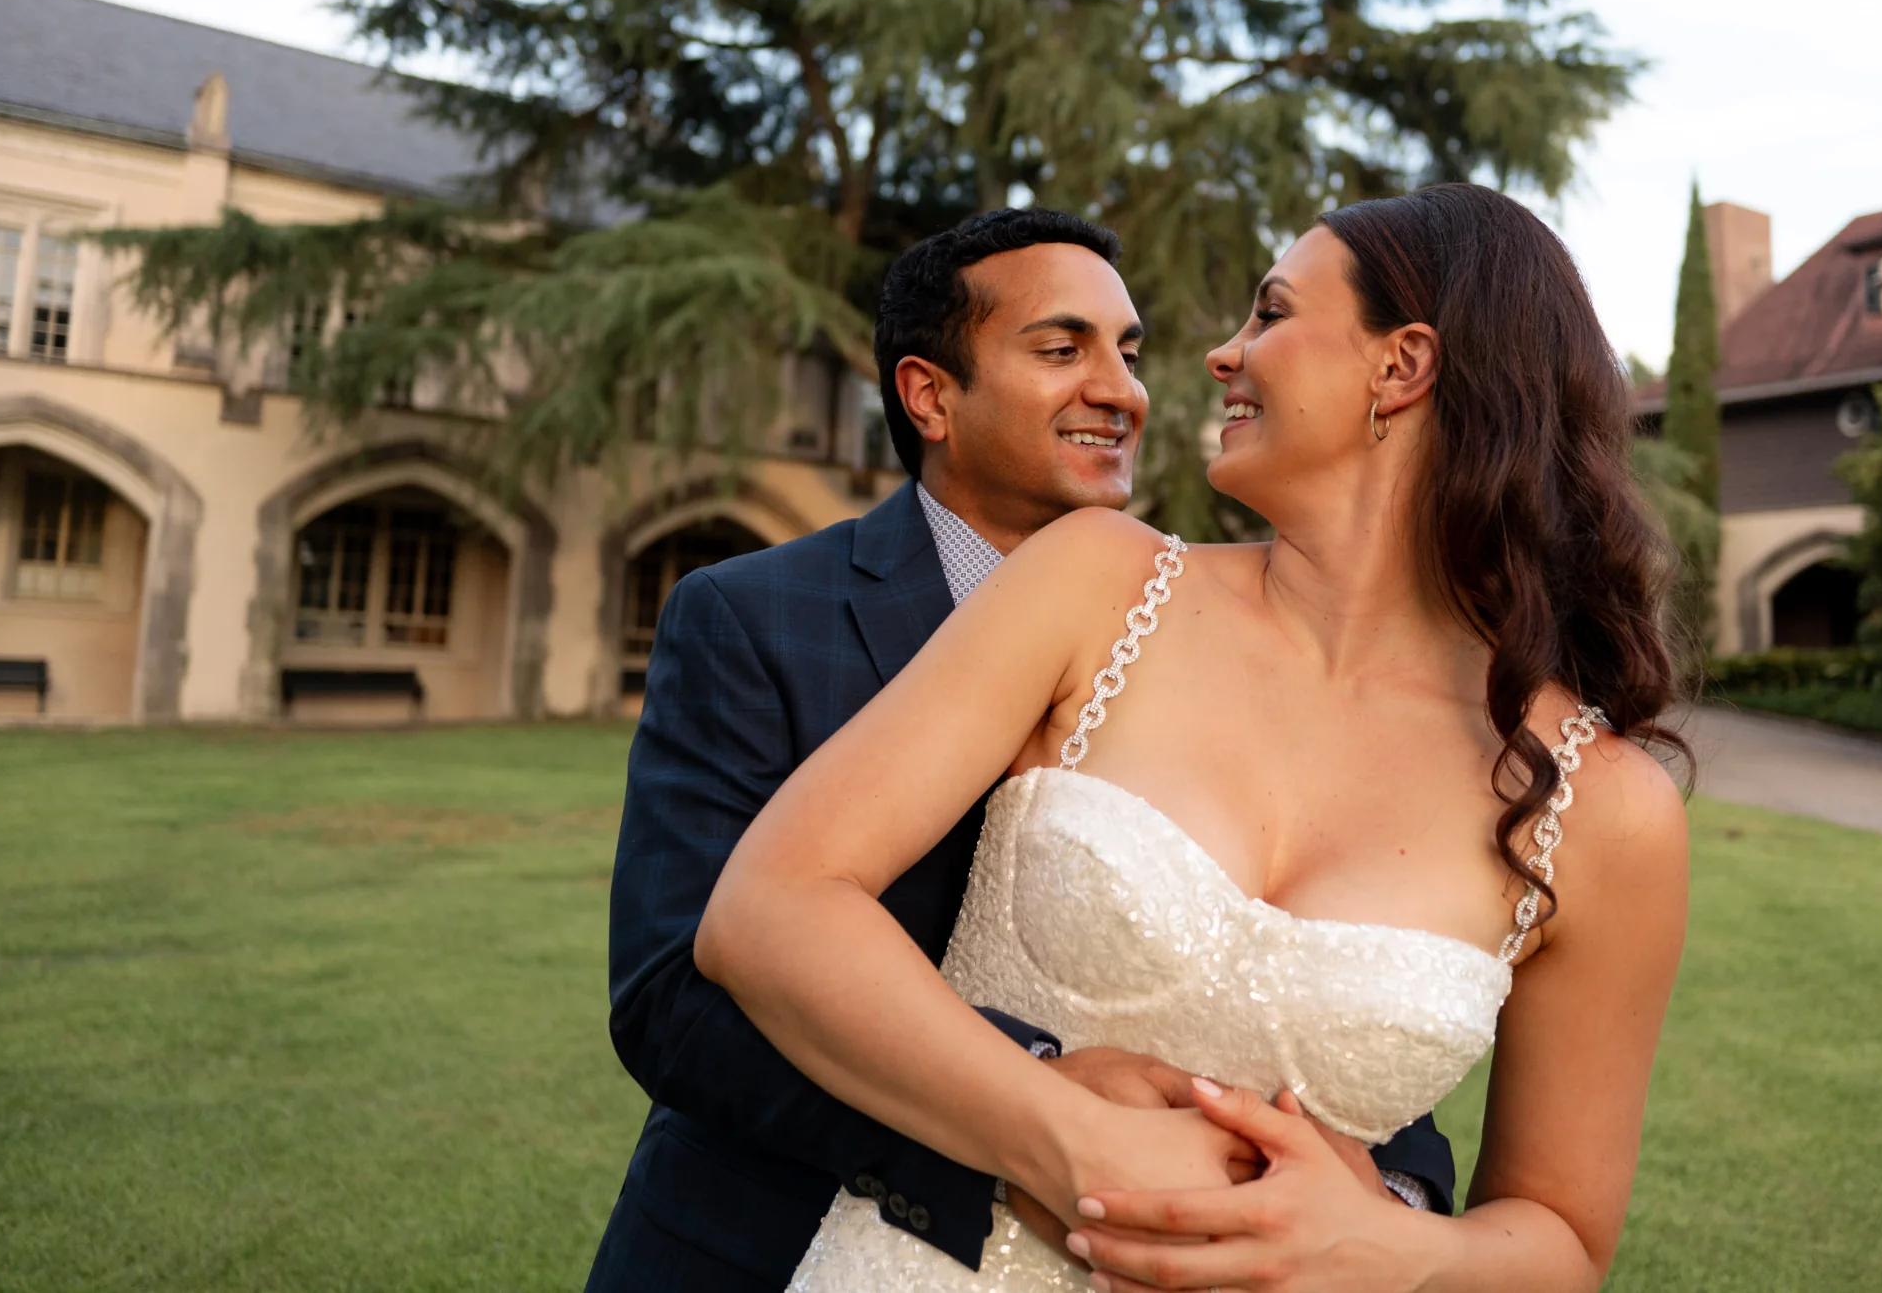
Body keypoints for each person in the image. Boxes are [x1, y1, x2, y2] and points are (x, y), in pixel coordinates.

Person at [700, 183, 1691, 1290]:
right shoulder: (1097, 580)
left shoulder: (1603, 807)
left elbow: (1561, 1239)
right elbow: (769, 908)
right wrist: (1067, 1138)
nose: (1221, 355)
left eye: (1269, 314)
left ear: (1400, 366)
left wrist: (1387, 1247)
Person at [581, 207, 1456, 1291]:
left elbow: (1322, 966)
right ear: (929, 395)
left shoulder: (1221, 633)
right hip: (762, 1250)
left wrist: (1387, 1196)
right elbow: (674, 995)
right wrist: (1033, 1106)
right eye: (1061, 349)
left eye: (1127, 354)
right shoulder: (753, 616)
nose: (1122, 389)